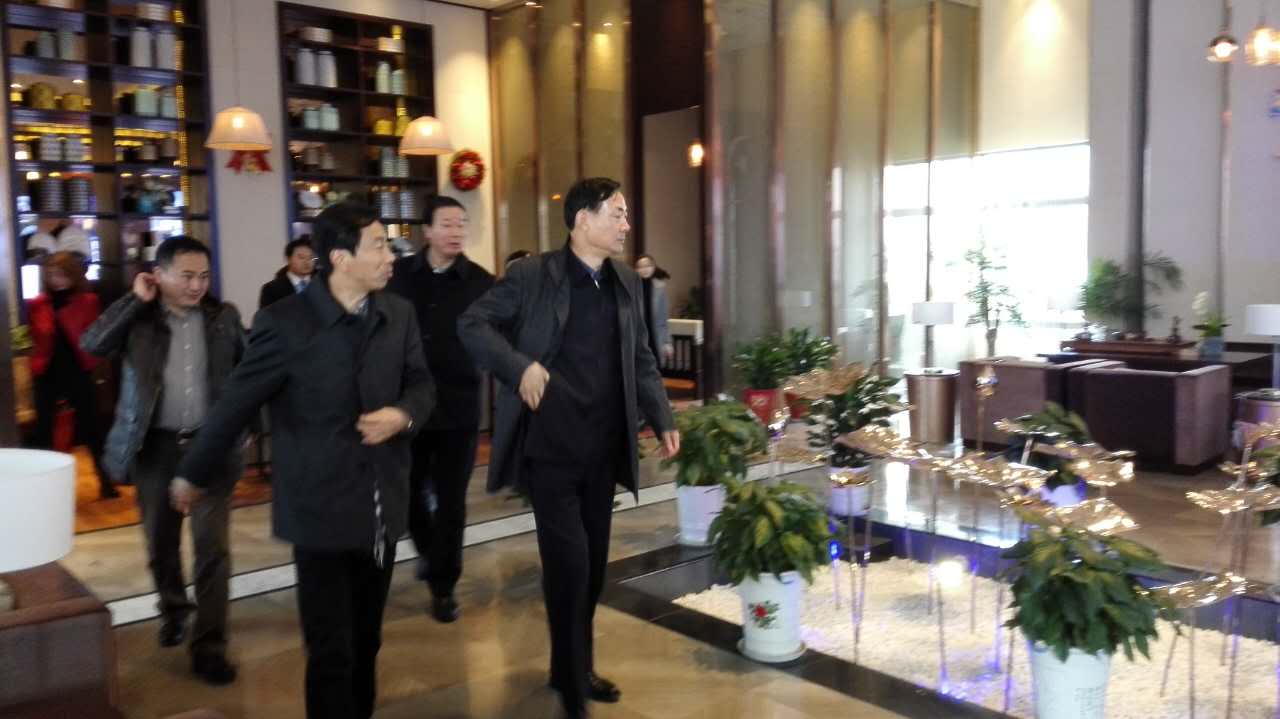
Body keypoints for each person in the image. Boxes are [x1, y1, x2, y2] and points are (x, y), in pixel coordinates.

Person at [170, 201, 435, 719]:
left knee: (368, 640)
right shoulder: (284, 323)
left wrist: (402, 415)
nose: (391, 257)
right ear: (340, 258)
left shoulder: (397, 313)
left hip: (380, 505)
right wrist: (192, 473)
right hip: (318, 511)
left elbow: (423, 384)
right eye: (379, 246)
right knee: (331, 651)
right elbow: (236, 404)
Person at [459, 177, 679, 719]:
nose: (626, 225)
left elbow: (641, 357)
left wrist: (661, 415)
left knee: (594, 568)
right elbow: (473, 324)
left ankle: (571, 666)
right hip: (551, 448)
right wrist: (519, 367)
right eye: (617, 214)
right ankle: (575, 680)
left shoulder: (624, 281)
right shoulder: (533, 275)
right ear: (583, 219)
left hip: (602, 449)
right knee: (570, 565)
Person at [79, 236, 247, 684]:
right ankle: (174, 609)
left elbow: (252, 371)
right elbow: (92, 344)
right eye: (186, 276)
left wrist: (247, 426)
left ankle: (210, 645)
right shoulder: (140, 319)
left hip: (211, 448)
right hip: (155, 448)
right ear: (159, 274)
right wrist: (134, 301)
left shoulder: (223, 318)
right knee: (161, 542)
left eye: (204, 276)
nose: (197, 285)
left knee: (213, 548)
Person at [386, 195, 494, 623]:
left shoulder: (480, 282)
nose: (456, 232)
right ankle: (430, 553)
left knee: (452, 501)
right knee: (408, 493)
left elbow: (497, 334)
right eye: (447, 224)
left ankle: (444, 586)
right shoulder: (397, 277)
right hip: (407, 406)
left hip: (458, 407)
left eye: (461, 224)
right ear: (427, 231)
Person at [27, 251, 114, 498]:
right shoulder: (38, 303)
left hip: (78, 370)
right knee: (44, 431)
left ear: (73, 275)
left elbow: (95, 336)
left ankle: (106, 482)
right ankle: (42, 485)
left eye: (61, 274)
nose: (56, 280)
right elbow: (37, 337)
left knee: (92, 428)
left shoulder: (88, 301)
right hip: (46, 373)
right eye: (51, 275)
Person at [633, 254, 673, 366]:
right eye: (640, 267)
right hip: (638, 337)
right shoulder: (631, 288)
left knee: (655, 368)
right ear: (636, 270)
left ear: (653, 267)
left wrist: (667, 342)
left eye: (647, 266)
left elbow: (663, 318)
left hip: (656, 336)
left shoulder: (660, 287)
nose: (644, 269)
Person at [258, 237, 316, 310]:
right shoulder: (271, 290)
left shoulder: (323, 283)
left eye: (311, 257)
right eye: (301, 257)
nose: (307, 262)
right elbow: (267, 316)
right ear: (288, 259)